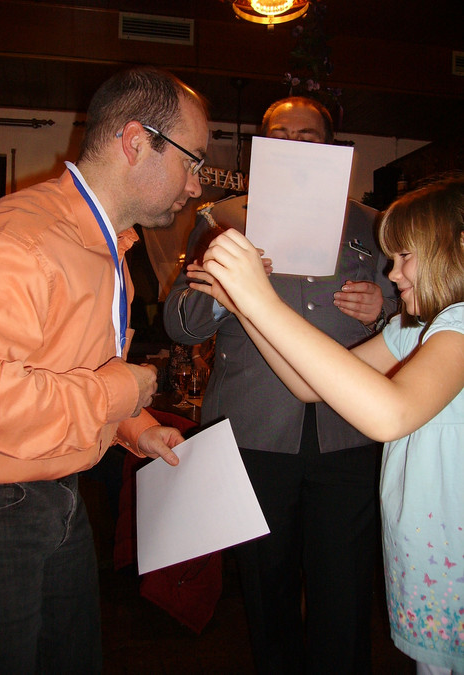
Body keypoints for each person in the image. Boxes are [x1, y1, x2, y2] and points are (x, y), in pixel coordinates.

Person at [0, 66, 209, 674]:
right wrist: (119, 392)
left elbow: (66, 369)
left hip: (59, 495)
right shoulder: (16, 241)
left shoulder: (105, 244)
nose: (196, 185)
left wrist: (135, 426)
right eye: (192, 160)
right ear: (137, 141)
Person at [190, 176, 464, 675]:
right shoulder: (414, 330)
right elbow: (306, 386)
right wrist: (245, 306)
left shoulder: (460, 326)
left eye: (405, 256)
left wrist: (262, 298)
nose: (392, 273)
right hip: (431, 567)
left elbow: (390, 413)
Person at [164, 96, 398, 674]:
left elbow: (415, 309)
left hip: (349, 430)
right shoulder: (223, 218)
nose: (293, 144)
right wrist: (228, 291)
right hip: (256, 430)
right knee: (266, 583)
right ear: (260, 148)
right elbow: (180, 324)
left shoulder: (372, 223)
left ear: (332, 148)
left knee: (345, 581)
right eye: (280, 135)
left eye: (307, 136)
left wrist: (384, 308)